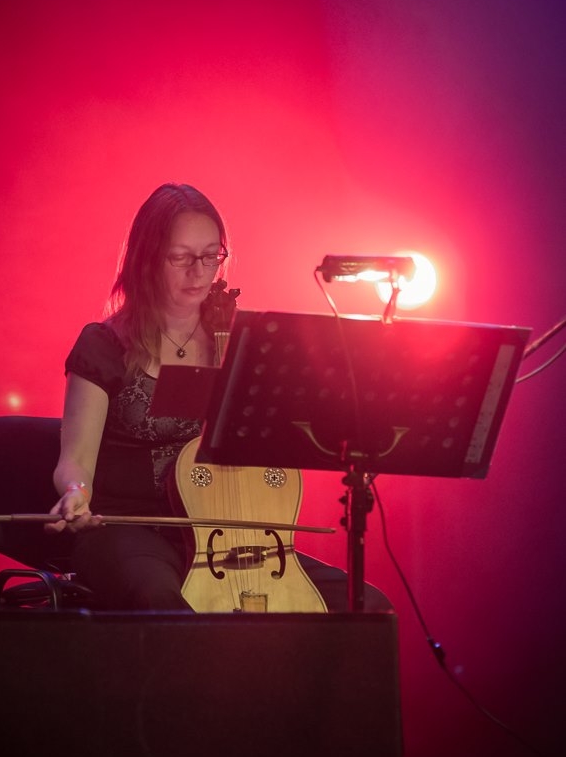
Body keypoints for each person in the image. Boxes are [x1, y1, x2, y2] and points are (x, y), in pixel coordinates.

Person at [48, 182, 392, 614]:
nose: (199, 272)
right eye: (181, 257)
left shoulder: (238, 340)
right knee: (163, 602)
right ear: (147, 258)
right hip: (129, 531)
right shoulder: (104, 345)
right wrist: (76, 492)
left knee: (367, 607)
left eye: (211, 256)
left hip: (224, 536)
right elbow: (75, 460)